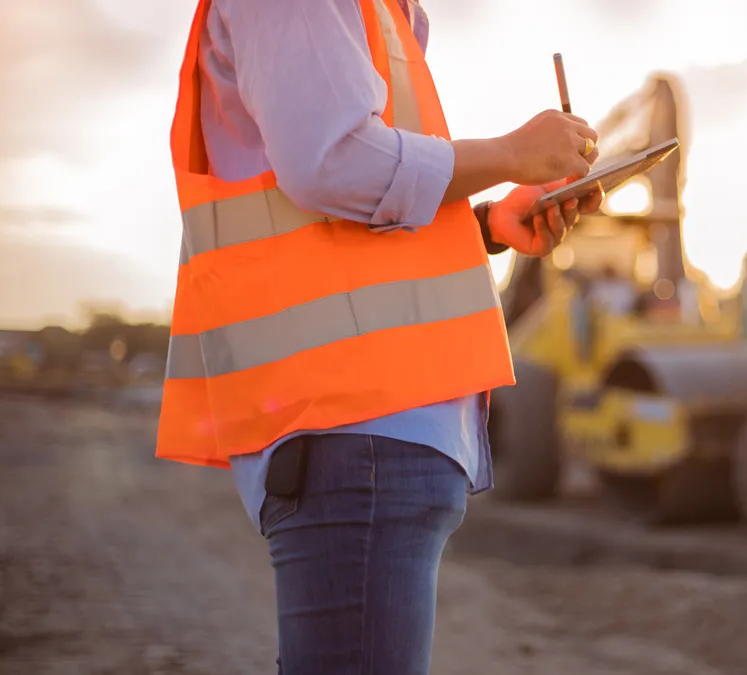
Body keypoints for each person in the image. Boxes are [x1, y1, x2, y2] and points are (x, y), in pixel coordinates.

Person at [155, 1, 604, 673]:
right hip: (355, 430)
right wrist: (514, 152)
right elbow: (333, 162)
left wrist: (482, 223)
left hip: (365, 431)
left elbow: (344, 208)